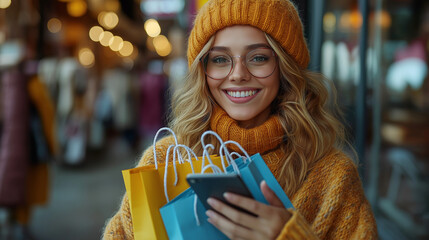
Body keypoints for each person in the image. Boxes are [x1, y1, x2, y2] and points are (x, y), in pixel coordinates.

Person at [103, 0, 377, 239]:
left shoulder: (333, 177)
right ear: (203, 70)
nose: (238, 74)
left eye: (258, 57)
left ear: (286, 67)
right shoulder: (164, 163)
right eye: (220, 60)